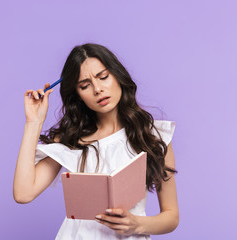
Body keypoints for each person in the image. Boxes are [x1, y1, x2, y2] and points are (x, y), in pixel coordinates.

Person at [13, 43, 179, 239]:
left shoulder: (153, 136)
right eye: (85, 85)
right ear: (78, 95)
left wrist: (137, 224)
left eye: (103, 77)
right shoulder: (72, 140)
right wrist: (34, 122)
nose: (98, 89)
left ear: (117, 75)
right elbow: (23, 193)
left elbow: (171, 217)